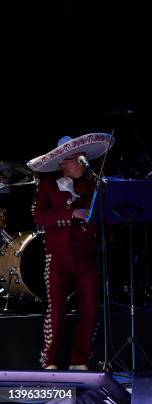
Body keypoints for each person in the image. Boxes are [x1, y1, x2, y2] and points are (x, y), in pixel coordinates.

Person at [27, 132, 114, 370]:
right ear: (62, 163)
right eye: (75, 159)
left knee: (90, 309)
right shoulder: (47, 185)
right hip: (58, 256)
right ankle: (49, 361)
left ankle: (80, 359)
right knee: (56, 310)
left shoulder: (93, 184)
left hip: (86, 255)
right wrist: (70, 214)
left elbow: (106, 214)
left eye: (82, 159)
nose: (80, 164)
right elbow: (39, 216)